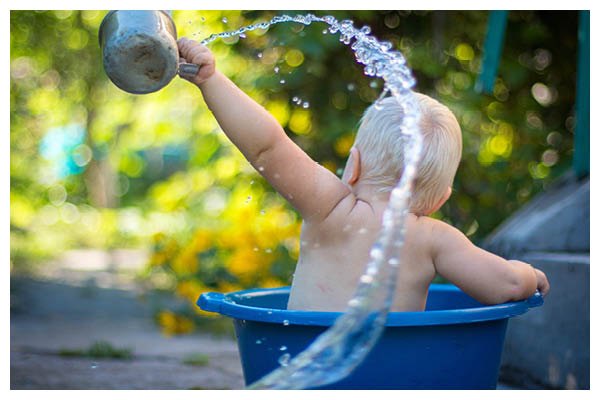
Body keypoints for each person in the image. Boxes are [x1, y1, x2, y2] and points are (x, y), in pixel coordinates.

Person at [177, 37, 550, 312]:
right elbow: (506, 285)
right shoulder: (435, 239)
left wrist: (211, 79)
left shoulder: (330, 209)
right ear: (440, 199)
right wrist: (531, 275)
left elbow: (268, 147)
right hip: (393, 379)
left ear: (352, 166)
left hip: (306, 366)